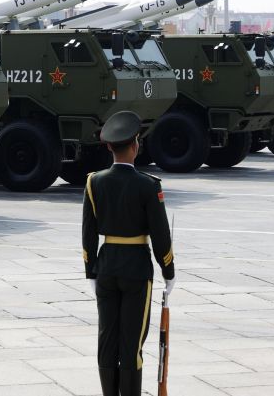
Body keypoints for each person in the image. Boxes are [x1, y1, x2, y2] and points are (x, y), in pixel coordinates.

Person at [82, 110, 175, 396]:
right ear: (135, 145)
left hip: (107, 266)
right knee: (131, 344)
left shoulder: (93, 182)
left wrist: (91, 271)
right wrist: (168, 271)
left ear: (109, 146)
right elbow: (160, 234)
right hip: (136, 268)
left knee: (106, 341)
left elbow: (87, 233)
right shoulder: (148, 185)